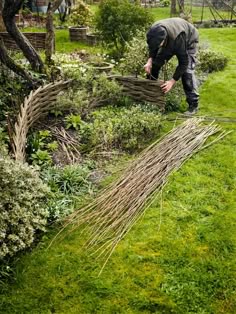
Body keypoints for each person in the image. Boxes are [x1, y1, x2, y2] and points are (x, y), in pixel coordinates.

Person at [144, 17, 199, 115]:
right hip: (170, 40)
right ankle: (151, 95)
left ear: (163, 39)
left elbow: (183, 63)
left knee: (187, 73)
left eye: (159, 45)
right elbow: (153, 47)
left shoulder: (178, 39)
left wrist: (172, 82)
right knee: (155, 65)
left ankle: (193, 105)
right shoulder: (154, 31)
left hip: (189, 39)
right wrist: (149, 61)